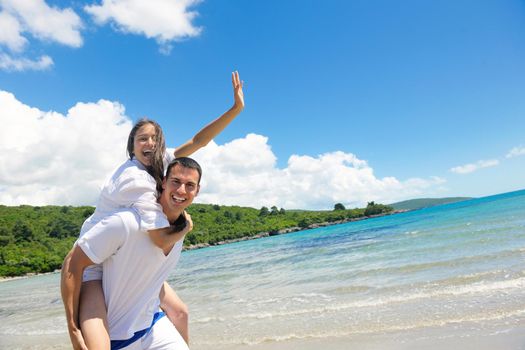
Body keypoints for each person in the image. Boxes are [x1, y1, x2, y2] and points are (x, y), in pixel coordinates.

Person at [75, 72, 244, 349]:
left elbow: (199, 141)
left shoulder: (161, 161)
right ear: (131, 146)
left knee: (180, 312)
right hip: (96, 259)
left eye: (155, 139)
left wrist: (235, 109)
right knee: (99, 343)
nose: (149, 143)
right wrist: (186, 227)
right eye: (142, 139)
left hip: (131, 252)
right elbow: (158, 239)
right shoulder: (134, 178)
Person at [61, 157, 201, 350]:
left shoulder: (181, 227)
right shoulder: (125, 223)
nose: (181, 191)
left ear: (197, 191)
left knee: (180, 314)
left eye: (190, 185)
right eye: (176, 182)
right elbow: (72, 262)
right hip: (115, 338)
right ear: (163, 183)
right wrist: (73, 328)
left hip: (151, 326)